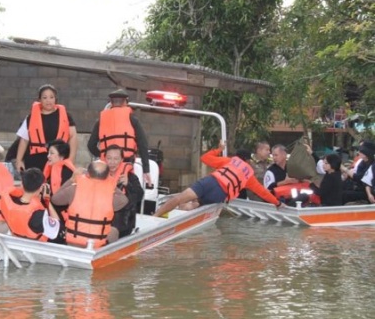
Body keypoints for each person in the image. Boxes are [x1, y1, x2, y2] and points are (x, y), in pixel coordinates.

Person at [153, 141, 284, 217]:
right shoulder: (249, 174)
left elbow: (204, 158)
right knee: (196, 205)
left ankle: (156, 216)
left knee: (178, 199)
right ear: (248, 161)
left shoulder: (230, 161)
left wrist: (219, 149)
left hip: (210, 182)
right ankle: (188, 210)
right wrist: (277, 203)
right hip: (219, 194)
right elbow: (263, 193)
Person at [51, 161, 128, 248]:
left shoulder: (74, 189)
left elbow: (55, 200)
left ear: (87, 173)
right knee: (114, 231)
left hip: (73, 241)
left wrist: (72, 179)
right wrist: (111, 182)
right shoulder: (111, 196)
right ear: (106, 176)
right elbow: (124, 200)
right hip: (97, 244)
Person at [87, 89, 153, 187]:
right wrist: (146, 170)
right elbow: (143, 145)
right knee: (129, 193)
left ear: (111, 103)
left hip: (106, 168)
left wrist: (104, 156)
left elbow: (91, 145)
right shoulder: (132, 119)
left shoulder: (101, 121)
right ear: (126, 102)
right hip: (126, 167)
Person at [14, 84, 78, 172]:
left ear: (55, 99)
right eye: (45, 97)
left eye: (51, 97)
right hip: (35, 161)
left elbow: (73, 136)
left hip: (58, 160)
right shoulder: (31, 117)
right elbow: (24, 140)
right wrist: (19, 161)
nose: (48, 100)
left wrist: (71, 160)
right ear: (39, 100)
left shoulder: (66, 116)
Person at [0, 168, 61, 241]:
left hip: (15, 244)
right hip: (33, 249)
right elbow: (56, 229)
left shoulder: (8, 202)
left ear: (22, 184)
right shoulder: (37, 214)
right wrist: (47, 201)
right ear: (41, 188)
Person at [105, 145, 144, 238]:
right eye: (109, 158)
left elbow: (139, 196)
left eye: (116, 159)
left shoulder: (131, 177)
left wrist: (128, 185)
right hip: (102, 219)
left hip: (123, 223)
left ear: (122, 160)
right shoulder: (100, 175)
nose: (112, 162)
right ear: (105, 159)